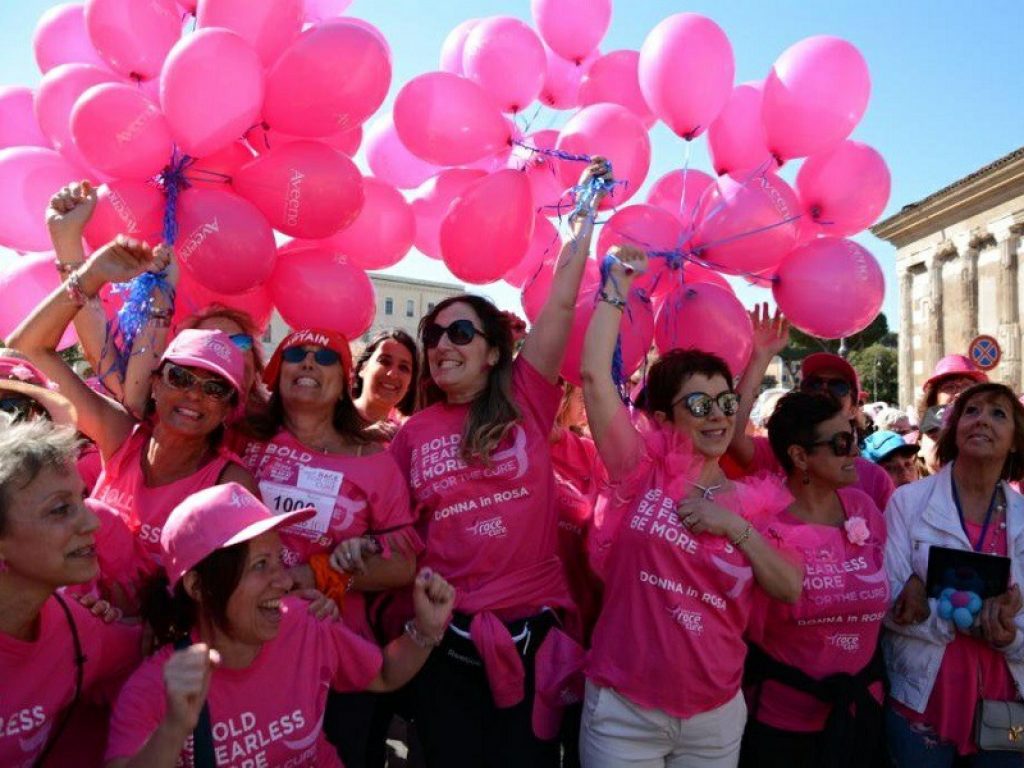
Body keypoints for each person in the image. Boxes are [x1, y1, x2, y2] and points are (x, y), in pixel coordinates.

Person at [387, 158, 614, 766]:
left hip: (533, 640)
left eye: (460, 333)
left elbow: (560, 313)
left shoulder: (526, 399)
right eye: (433, 335)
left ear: (493, 354)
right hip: (445, 643)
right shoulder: (410, 436)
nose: (440, 345)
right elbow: (399, 535)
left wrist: (582, 223)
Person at [579, 246, 802, 768]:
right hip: (623, 714)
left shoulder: (754, 503)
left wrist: (733, 527)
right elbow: (593, 377)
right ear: (661, 419)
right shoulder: (640, 471)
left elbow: (789, 586)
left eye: (726, 404)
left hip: (714, 720)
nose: (718, 416)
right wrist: (616, 286)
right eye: (698, 406)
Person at [104, 483, 454, 768]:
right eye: (259, 565)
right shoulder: (154, 689)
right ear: (198, 587)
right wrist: (175, 727)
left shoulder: (304, 622)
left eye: (279, 560)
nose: (284, 581)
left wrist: (426, 629)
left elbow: (383, 675)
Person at [8, 238, 256, 608]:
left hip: (153, 649)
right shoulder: (122, 435)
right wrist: (90, 276)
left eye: (215, 388)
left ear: (228, 410)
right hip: (78, 627)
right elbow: (27, 348)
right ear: (155, 382)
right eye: (181, 377)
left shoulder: (230, 484)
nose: (193, 395)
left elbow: (226, 594)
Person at [240, 327, 421, 767]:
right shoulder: (242, 437)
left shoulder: (375, 462)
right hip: (243, 648)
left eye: (325, 360)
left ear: (345, 382)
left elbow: (403, 564)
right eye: (296, 353)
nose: (307, 363)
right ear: (277, 372)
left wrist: (318, 574)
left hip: (334, 656)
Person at [740, 392, 888, 768]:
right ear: (800, 456)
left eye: (854, 435)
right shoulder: (765, 520)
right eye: (840, 443)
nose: (854, 450)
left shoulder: (863, 509)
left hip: (861, 713)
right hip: (783, 726)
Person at [884, 382, 1024, 765]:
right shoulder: (907, 503)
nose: (982, 421)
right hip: (922, 703)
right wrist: (930, 614)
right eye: (972, 411)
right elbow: (883, 599)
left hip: (1005, 709)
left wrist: (1010, 636)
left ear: (1015, 440)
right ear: (955, 427)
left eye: (999, 413)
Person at [0, 419, 140, 767]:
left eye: (82, 499)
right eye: (60, 509)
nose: (92, 523)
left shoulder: (76, 627)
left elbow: (149, 643)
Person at [727, 304, 895, 513]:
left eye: (838, 386)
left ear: (854, 408)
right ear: (798, 457)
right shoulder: (777, 454)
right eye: (814, 383)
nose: (824, 390)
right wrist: (760, 357)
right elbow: (731, 435)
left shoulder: (875, 479)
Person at [351, 329, 418, 435]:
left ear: (410, 384)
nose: (392, 374)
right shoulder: (329, 415)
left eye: (403, 368)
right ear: (362, 368)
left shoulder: (408, 436)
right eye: (384, 361)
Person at [917, 354, 989, 421]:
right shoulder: (924, 433)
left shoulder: (990, 432)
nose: (959, 393)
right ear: (934, 398)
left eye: (967, 387)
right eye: (949, 387)